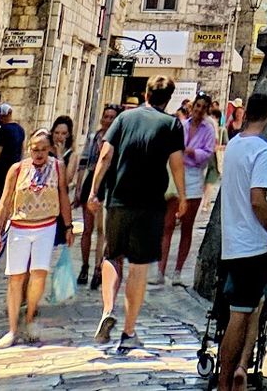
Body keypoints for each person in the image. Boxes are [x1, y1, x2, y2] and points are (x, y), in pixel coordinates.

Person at [87, 77, 184, 354]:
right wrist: (184, 197)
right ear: (169, 98)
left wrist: (94, 190)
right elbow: (177, 164)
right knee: (139, 267)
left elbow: (105, 156)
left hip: (118, 199)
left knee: (111, 255)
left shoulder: (124, 118)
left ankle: (107, 308)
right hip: (151, 205)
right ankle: (128, 331)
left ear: (145, 93)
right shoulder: (171, 124)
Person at [216, 94, 267, 391]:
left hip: (231, 240)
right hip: (252, 243)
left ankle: (240, 367)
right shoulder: (262, 150)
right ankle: (226, 380)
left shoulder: (233, 146)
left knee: (250, 306)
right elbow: (258, 200)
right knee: (241, 315)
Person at [0, 125, 73, 347]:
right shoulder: (17, 169)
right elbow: (5, 201)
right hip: (19, 227)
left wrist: (68, 226)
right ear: (29, 148)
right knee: (16, 277)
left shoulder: (58, 167)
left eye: (43, 150)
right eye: (35, 149)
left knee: (39, 274)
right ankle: (12, 329)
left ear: (50, 150)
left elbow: (63, 194)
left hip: (45, 226)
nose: (39, 154)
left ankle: (29, 317)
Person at [157, 91, 216, 284]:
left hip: (194, 175)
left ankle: (178, 271)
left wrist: (191, 151)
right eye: (197, 106)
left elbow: (208, 153)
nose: (199, 110)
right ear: (193, 107)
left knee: (187, 226)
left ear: (207, 110)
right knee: (167, 224)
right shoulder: (181, 125)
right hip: (177, 172)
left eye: (203, 108)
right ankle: (160, 269)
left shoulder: (208, 130)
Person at [76, 101, 119, 286]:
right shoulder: (94, 137)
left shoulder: (118, 139)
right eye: (106, 117)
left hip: (108, 184)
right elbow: (84, 162)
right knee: (87, 229)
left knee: (102, 230)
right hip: (92, 181)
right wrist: (78, 187)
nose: (108, 120)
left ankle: (97, 269)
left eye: (112, 117)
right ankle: (84, 266)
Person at [0, 105, 24, 208]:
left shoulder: (2, 130)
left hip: (0, 171)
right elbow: (22, 149)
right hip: (14, 170)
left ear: (3, 116)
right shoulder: (20, 129)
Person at [48, 115, 77, 198]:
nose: (59, 136)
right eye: (56, 133)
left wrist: (59, 155)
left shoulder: (72, 155)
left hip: (60, 196)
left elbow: (67, 180)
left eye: (63, 133)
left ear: (68, 135)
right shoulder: (45, 151)